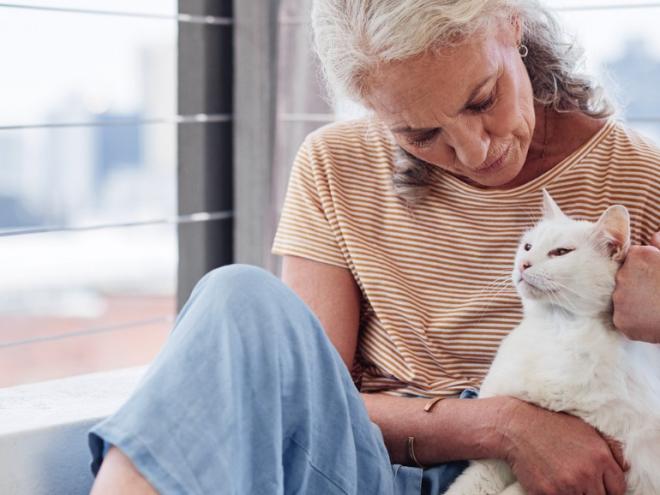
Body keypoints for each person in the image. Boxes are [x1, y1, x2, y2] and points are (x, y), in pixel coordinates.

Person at [89, 1, 660, 494]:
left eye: (482, 100)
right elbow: (310, 402)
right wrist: (504, 426)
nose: (470, 149)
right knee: (233, 295)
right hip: (363, 473)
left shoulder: (642, 181)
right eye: (419, 134)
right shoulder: (334, 166)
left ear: (511, 23)